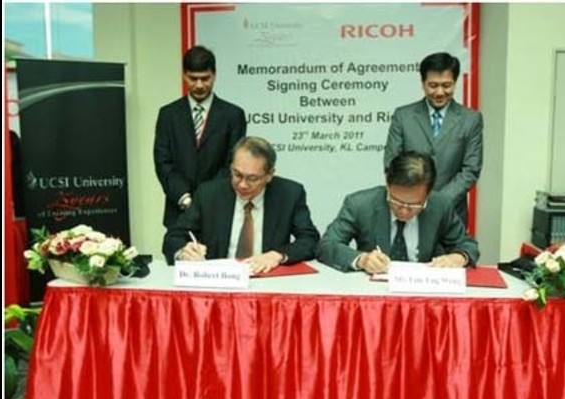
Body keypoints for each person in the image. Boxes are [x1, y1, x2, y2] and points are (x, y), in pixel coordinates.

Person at [165, 136, 320, 274]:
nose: (243, 185)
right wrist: (183, 252)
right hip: (219, 282)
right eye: (237, 174)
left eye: (252, 178)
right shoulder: (209, 194)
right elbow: (174, 237)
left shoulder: (289, 194)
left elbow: (310, 240)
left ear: (270, 175)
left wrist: (277, 255)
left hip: (268, 282)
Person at [317, 151, 479, 274]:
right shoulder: (360, 204)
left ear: (428, 194)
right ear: (387, 183)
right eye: (396, 201)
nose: (404, 210)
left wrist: (458, 257)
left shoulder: (439, 205)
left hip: (424, 293)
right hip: (374, 294)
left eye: (414, 204)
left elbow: (467, 244)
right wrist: (362, 260)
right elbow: (326, 245)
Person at [154, 45, 247, 239]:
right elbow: (163, 162)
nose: (198, 85)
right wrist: (185, 198)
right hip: (178, 213)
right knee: (179, 265)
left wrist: (205, 199)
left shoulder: (233, 115)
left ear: (215, 75)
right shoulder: (168, 115)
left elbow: (233, 164)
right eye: (192, 78)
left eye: (205, 78)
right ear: (184, 75)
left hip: (219, 210)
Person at [384, 51, 483, 227]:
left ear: (455, 83)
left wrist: (438, 202)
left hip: (452, 213)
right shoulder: (403, 116)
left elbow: (471, 170)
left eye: (446, 85)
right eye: (433, 85)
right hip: (408, 211)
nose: (439, 92)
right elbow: (391, 163)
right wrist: (415, 199)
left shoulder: (471, 119)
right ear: (422, 84)